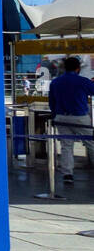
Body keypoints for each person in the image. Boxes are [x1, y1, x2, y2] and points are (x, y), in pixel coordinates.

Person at [48, 56, 94, 184]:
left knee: (66, 146)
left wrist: (54, 115)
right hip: (80, 117)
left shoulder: (55, 82)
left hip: (61, 117)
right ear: (78, 68)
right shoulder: (82, 81)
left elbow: (52, 102)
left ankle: (67, 174)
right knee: (91, 144)